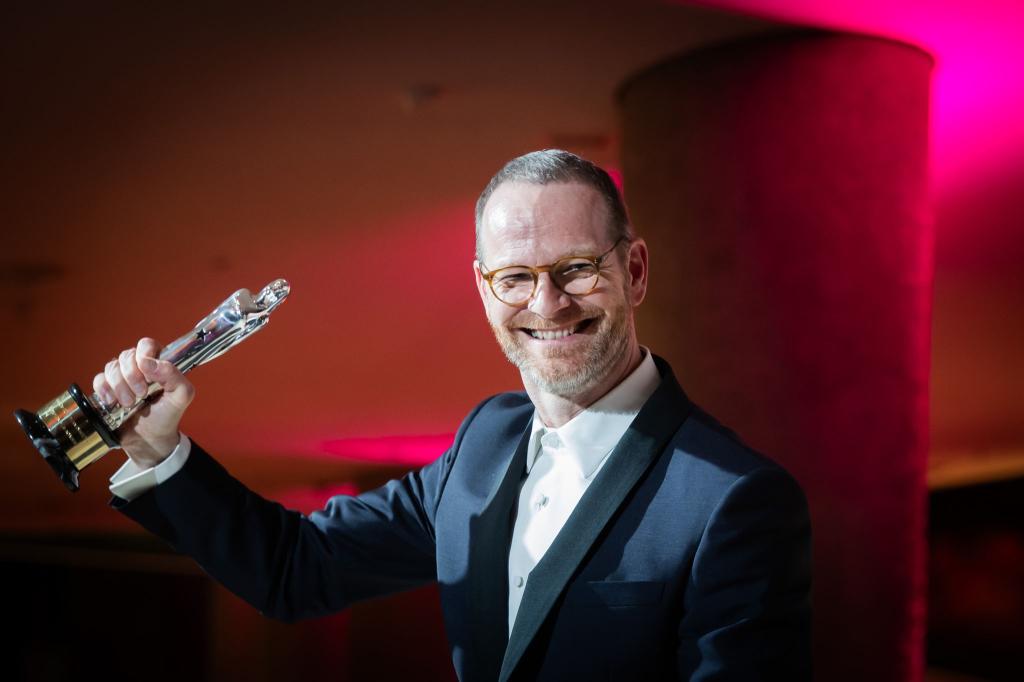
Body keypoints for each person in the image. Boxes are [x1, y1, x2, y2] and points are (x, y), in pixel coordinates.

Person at [97, 150, 812, 681]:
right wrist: (162, 451)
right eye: (515, 278)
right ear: (482, 287)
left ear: (635, 271)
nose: (547, 303)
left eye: (577, 269)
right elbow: (297, 571)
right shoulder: (483, 443)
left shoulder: (735, 500)